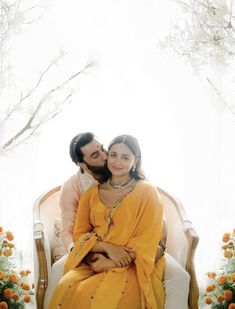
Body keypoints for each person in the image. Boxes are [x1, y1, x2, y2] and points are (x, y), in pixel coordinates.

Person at [44, 132, 189, 308]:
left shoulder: (142, 185)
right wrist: (95, 254)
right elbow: (72, 231)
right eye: (97, 155)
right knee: (61, 277)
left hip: (143, 250)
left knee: (180, 277)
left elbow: (153, 222)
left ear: (134, 160)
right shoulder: (76, 188)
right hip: (90, 250)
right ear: (83, 164)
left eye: (103, 149)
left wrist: (113, 261)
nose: (108, 158)